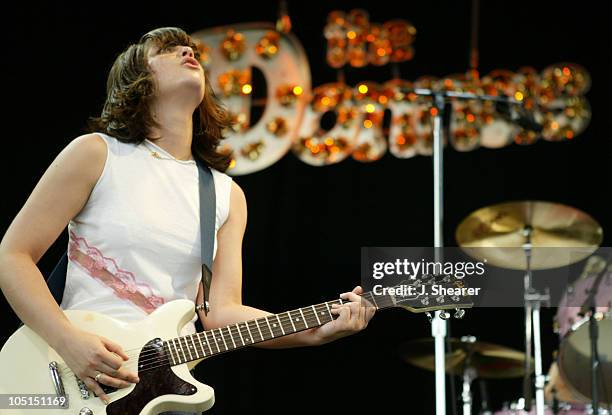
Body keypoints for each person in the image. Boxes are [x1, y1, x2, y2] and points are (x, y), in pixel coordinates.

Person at [0, 27, 375, 414]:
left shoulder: (225, 194)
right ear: (136, 79)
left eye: (191, 48)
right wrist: (68, 342)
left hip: (159, 394)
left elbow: (221, 312)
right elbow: (13, 255)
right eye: (166, 49)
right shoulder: (97, 154)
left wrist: (314, 332)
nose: (186, 51)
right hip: (69, 375)